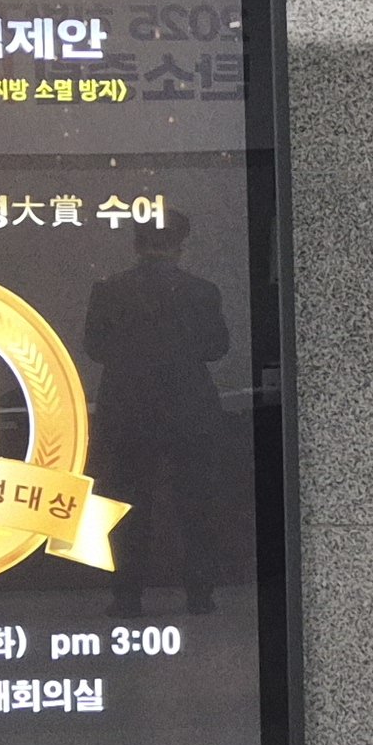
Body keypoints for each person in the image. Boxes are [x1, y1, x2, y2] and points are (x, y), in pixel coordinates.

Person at [80, 223, 232, 615]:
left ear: (137, 245)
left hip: (128, 410)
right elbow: (217, 347)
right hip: (188, 409)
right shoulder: (202, 291)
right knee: (195, 505)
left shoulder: (109, 290)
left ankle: (127, 597)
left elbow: (95, 347)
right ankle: (200, 595)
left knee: (128, 504)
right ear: (181, 245)